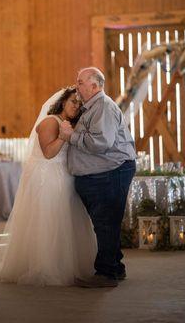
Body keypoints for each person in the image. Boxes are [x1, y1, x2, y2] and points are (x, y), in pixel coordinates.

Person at [0, 87, 97, 286]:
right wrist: (63, 136)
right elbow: (48, 153)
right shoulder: (49, 122)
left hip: (65, 177)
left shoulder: (68, 123)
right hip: (48, 179)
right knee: (48, 223)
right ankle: (45, 268)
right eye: (73, 102)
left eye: (80, 104)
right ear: (63, 102)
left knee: (66, 222)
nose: (76, 106)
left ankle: (68, 266)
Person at [59, 67, 136, 288]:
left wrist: (70, 136)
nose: (76, 86)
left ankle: (106, 273)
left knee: (105, 223)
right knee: (106, 223)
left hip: (110, 171)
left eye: (80, 81)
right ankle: (115, 267)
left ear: (95, 86)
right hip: (102, 172)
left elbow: (100, 143)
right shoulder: (91, 107)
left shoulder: (102, 106)